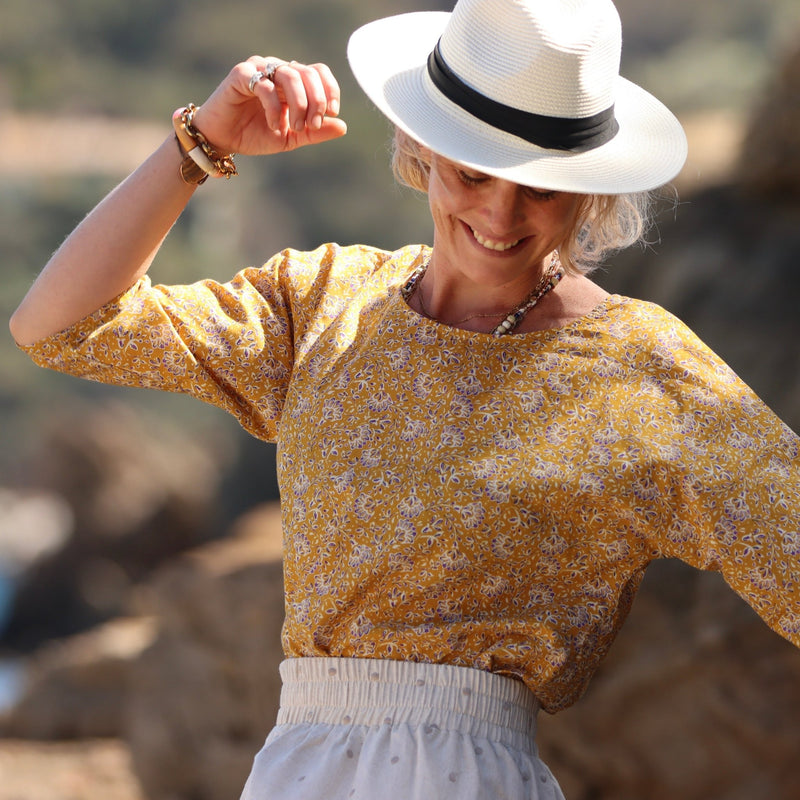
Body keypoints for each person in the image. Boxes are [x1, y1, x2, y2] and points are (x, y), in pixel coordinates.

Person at [9, 0, 800, 797]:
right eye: (474, 173)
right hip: (296, 770)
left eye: (541, 189)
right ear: (423, 148)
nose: (500, 214)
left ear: (585, 191)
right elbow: (62, 325)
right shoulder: (325, 302)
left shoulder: (640, 370)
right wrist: (200, 143)